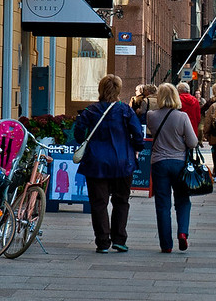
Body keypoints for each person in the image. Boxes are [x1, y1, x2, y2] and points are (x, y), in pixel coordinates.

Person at [73, 74, 144, 253]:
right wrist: (136, 148)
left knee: (99, 202)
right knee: (121, 201)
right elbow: (137, 134)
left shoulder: (91, 110)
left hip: (96, 162)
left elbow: (79, 134)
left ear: (100, 89)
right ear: (118, 90)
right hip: (122, 161)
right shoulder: (125, 110)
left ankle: (103, 241)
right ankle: (119, 239)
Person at [147, 83, 199, 253]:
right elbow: (193, 143)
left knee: (162, 204)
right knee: (183, 200)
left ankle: (166, 244)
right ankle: (183, 232)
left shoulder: (151, 115)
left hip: (159, 163)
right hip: (179, 163)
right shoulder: (182, 117)